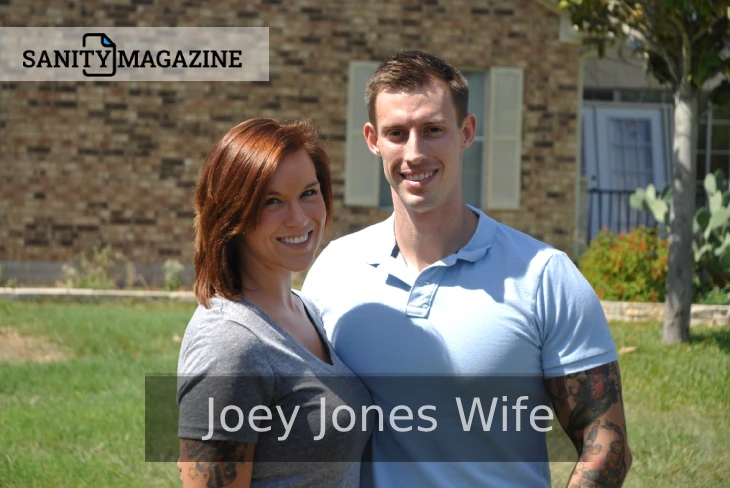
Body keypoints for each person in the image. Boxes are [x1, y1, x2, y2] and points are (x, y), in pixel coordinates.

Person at [302, 51, 632, 487]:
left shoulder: (544, 277)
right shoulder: (334, 271)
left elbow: (605, 441)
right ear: (372, 139)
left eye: (433, 130)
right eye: (397, 133)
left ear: (466, 131)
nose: (414, 153)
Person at [176, 118, 373, 488]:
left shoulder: (304, 310)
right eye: (272, 201)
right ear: (231, 215)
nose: (298, 218)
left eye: (308, 193)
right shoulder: (230, 344)